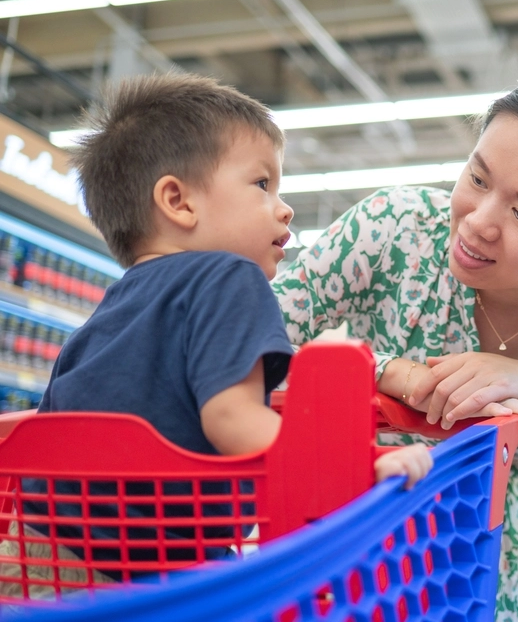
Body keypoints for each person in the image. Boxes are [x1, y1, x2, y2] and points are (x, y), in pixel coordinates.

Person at [0, 74, 431, 600]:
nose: (284, 207)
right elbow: (231, 419)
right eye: (262, 184)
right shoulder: (230, 277)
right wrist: (358, 464)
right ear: (178, 201)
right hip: (140, 575)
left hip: (34, 554)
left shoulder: (116, 303)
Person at [272, 77, 518, 621]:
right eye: (477, 178)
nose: (478, 222)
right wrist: (387, 373)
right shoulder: (393, 230)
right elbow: (246, 342)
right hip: (350, 553)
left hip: (498, 578)